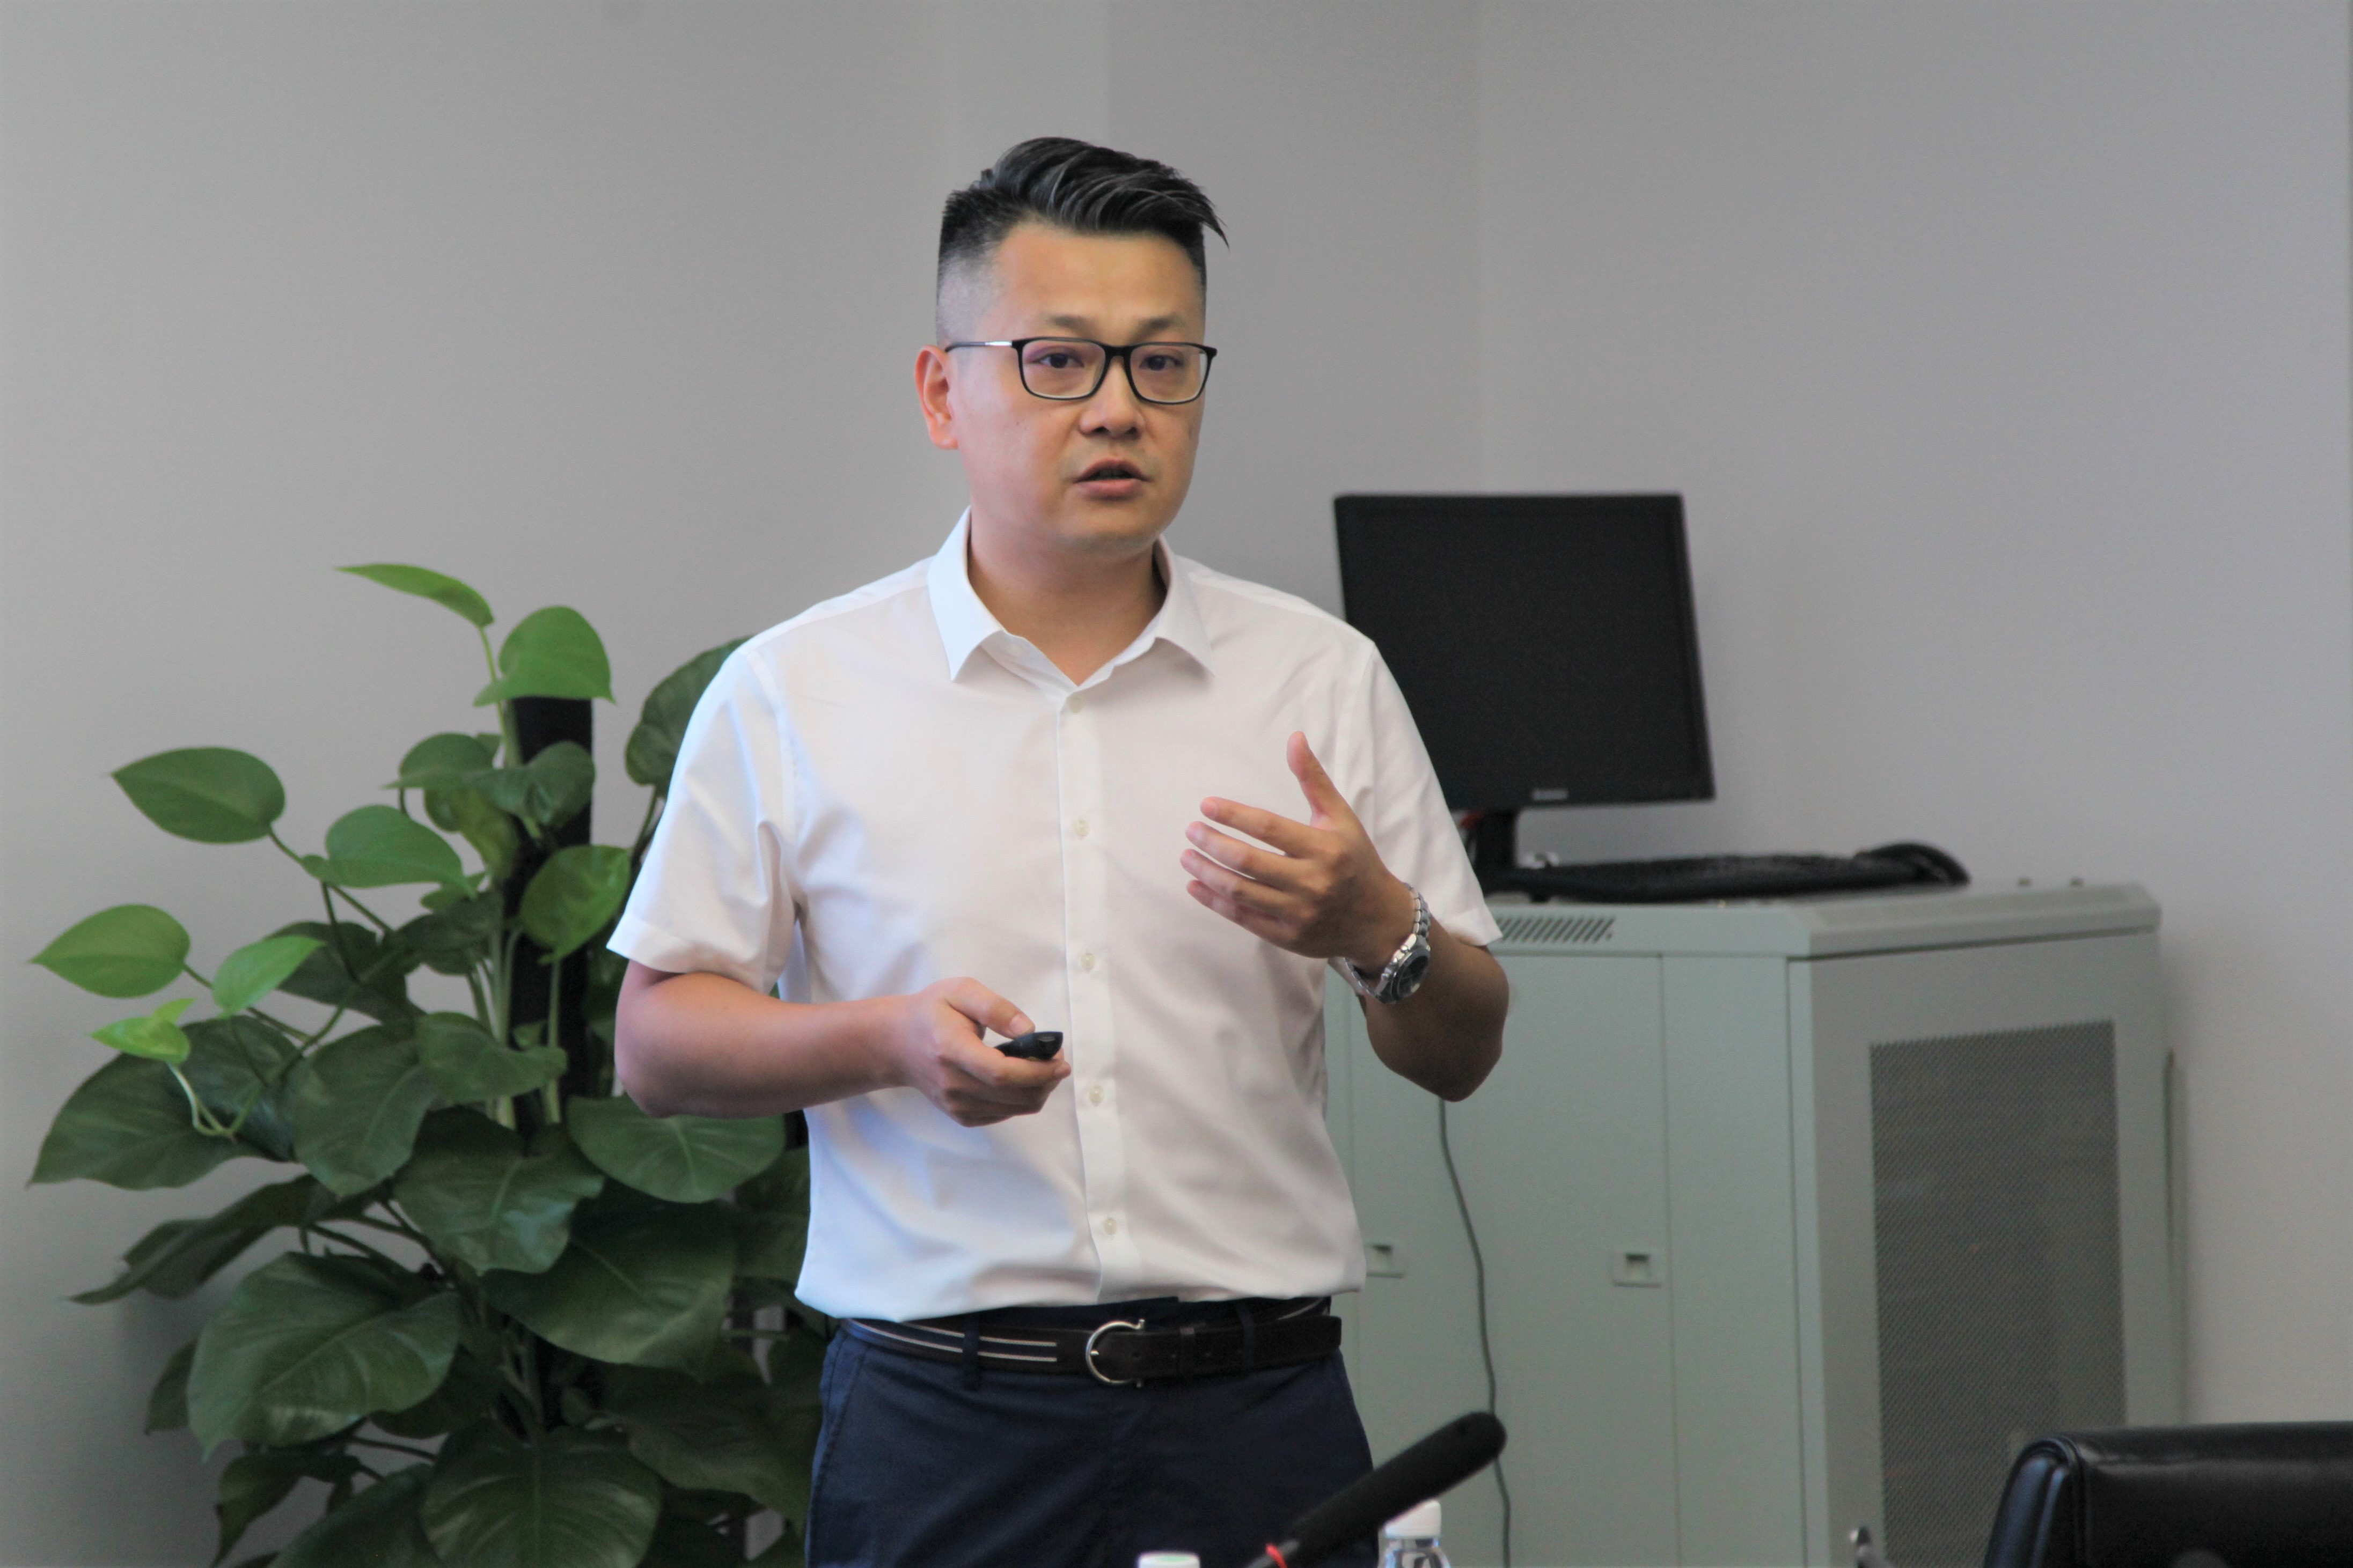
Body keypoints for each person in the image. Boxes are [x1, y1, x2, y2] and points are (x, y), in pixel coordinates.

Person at [610, 137, 1510, 1568]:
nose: (1117, 408)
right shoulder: (795, 688)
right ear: (941, 391)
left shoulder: (1316, 678)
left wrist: (1376, 925)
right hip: (941, 1424)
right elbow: (656, 1044)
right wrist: (889, 1039)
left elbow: (1460, 1048)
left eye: (1162, 364)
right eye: (1057, 361)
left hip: (1259, 1411)